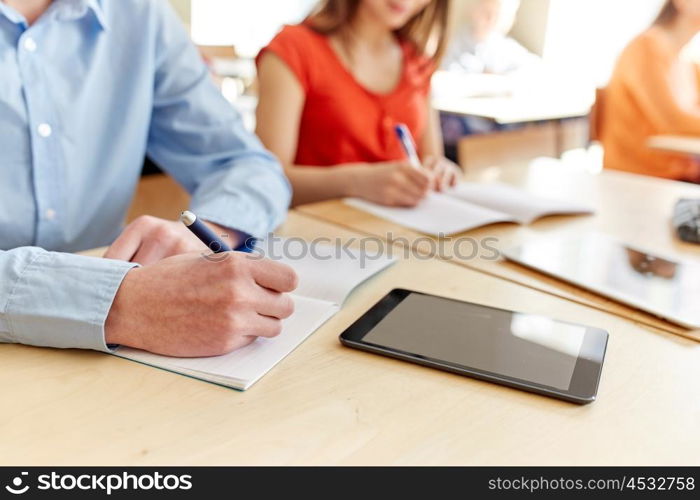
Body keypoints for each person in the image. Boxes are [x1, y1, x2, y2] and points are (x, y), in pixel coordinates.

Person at [0, 0, 299, 358]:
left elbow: (245, 163)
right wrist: (119, 303)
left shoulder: (139, 13)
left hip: (109, 356)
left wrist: (208, 234)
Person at [255, 0, 461, 208]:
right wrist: (356, 182)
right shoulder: (293, 48)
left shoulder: (418, 61)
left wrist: (440, 171)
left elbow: (432, 159)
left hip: (399, 232)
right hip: (315, 231)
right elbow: (266, 178)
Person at [602, 0, 700, 182]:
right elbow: (674, 121)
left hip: (684, 169)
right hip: (646, 174)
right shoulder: (646, 47)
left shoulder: (688, 62)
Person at [439, 0, 539, 155]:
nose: (491, 20)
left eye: (499, 16)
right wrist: (493, 83)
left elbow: (533, 74)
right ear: (475, 9)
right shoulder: (450, 42)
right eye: (487, 12)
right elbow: (442, 84)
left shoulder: (506, 49)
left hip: (496, 137)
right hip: (459, 135)